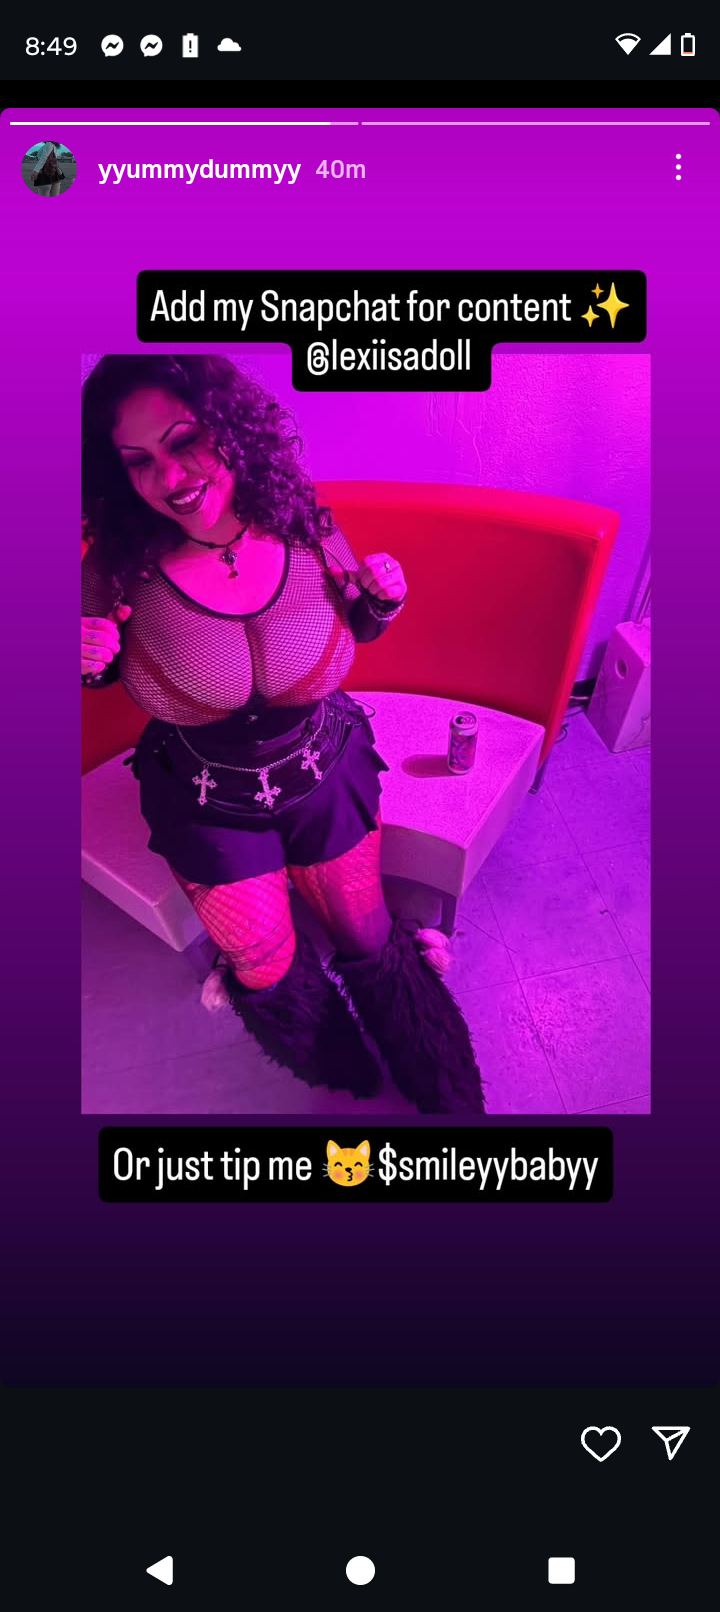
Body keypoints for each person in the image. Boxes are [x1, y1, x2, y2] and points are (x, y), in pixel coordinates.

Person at [81, 355, 484, 1114]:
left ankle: (439, 1075)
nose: (170, 476)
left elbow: (357, 619)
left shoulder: (300, 516)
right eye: (138, 460)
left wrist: (383, 599)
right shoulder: (118, 565)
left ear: (229, 426)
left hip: (322, 767)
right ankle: (336, 1065)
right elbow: (96, 665)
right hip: (204, 797)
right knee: (263, 961)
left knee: (368, 935)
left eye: (185, 439)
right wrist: (82, 655)